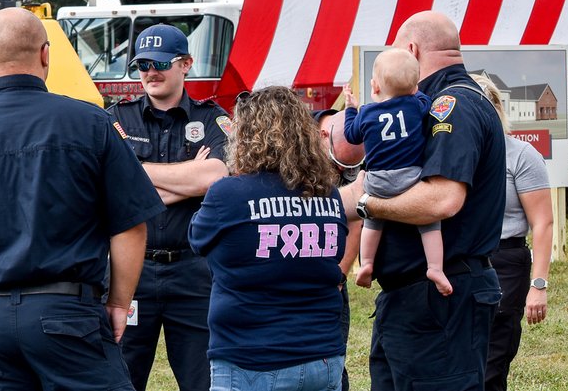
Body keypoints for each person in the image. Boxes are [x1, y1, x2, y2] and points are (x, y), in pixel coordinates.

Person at [0, 7, 165, 391]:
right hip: (70, 316)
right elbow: (131, 226)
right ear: (45, 54)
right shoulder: (93, 124)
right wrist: (120, 304)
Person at [349, 11, 506, 391]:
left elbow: (442, 200)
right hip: (416, 299)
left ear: (412, 50)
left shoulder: (452, 104)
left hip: (440, 299)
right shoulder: (425, 105)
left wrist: (369, 207)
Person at [190, 86, 349, 391]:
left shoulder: (228, 193)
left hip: (251, 357)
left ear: (246, 136)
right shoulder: (327, 194)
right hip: (323, 356)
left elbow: (198, 238)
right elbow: (336, 256)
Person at [108, 24, 229, 391]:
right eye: (142, 64)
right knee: (120, 379)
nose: (150, 73)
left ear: (186, 64)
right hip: (132, 272)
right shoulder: (115, 116)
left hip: (193, 270)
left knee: (203, 381)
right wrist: (186, 179)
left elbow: (216, 177)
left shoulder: (211, 118)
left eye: (160, 63)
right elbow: (109, 188)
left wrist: (137, 171)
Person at [343, 48, 451, 295]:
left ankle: (367, 263)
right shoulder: (416, 104)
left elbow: (350, 134)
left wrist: (351, 109)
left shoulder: (367, 113)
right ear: (413, 86)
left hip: (377, 181)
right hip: (410, 179)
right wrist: (415, 90)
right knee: (428, 221)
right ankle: (435, 267)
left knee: (372, 219)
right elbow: (425, 101)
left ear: (375, 86)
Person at [475, 74, 552, 391]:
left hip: (505, 260)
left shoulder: (521, 155)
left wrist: (539, 285)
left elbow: (543, 223)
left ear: (495, 108)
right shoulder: (454, 155)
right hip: (461, 260)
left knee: (492, 362)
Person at [312, 108, 365, 391]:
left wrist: (338, 277)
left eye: (351, 168)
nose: (343, 172)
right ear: (321, 136)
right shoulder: (294, 139)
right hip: (296, 268)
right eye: (338, 164)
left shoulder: (359, 133)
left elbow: (354, 221)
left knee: (332, 362)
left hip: (332, 275)